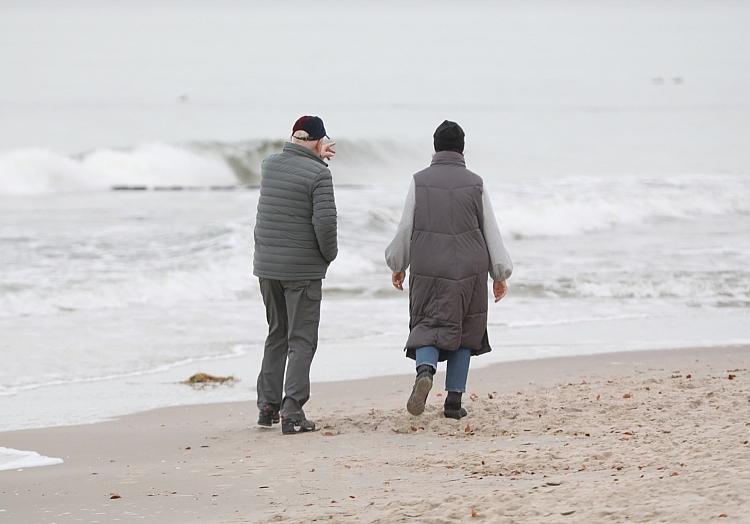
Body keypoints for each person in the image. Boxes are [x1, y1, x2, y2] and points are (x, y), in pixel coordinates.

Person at [385, 120, 512, 419]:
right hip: (470, 266)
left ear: (435, 146)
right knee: (465, 329)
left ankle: (425, 371)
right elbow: (490, 229)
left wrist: (398, 264)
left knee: (428, 323)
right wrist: (500, 273)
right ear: (462, 148)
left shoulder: (419, 180)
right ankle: (453, 401)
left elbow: (406, 226)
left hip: (428, 262)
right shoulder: (475, 183)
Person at [253, 115, 337, 434]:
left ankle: (267, 406)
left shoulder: (269, 165)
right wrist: (328, 256)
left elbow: (291, 161)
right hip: (301, 269)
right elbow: (325, 225)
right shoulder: (319, 174)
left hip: (267, 266)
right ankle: (292, 412)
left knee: (277, 333)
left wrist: (312, 154)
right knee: (301, 339)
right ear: (318, 141)